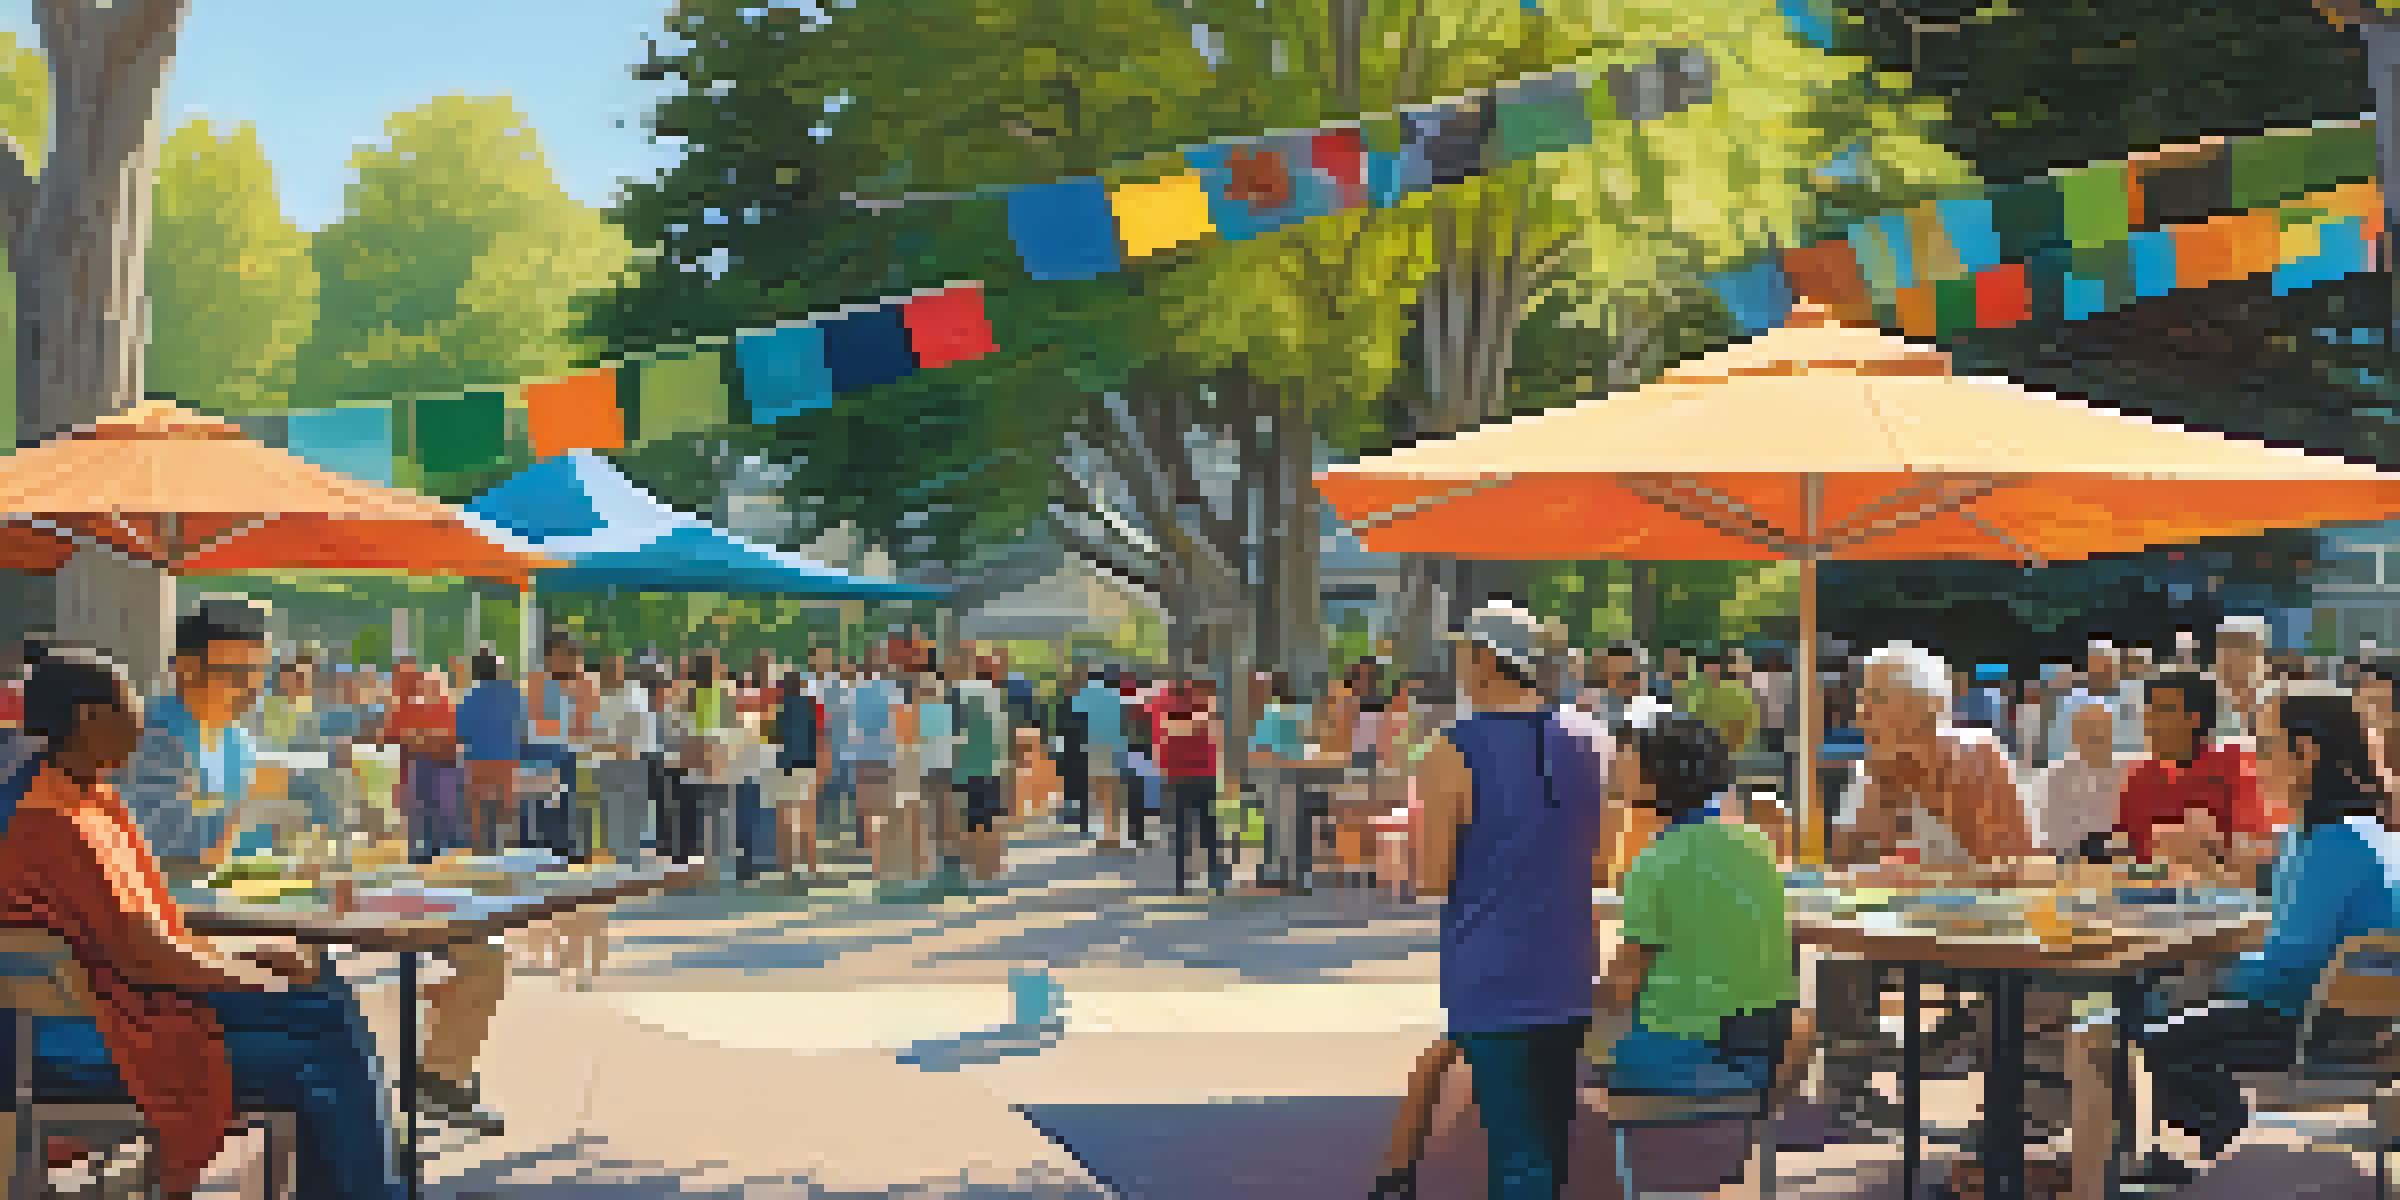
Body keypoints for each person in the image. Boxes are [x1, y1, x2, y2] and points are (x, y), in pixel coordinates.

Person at [0, 645, 405, 1199]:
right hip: (96, 1037)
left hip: (124, 1002)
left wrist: (247, 962)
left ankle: (371, 1186)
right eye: (129, 706)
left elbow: (148, 935)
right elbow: (143, 953)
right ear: (91, 718)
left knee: (325, 1000)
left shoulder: (84, 798)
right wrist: (249, 974)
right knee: (318, 1044)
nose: (140, 723)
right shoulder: (53, 821)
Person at [2094, 687, 2400, 1186]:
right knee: (2165, 1019)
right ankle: (2218, 1163)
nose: (2256, 760)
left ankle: (2231, 1164)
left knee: (2144, 1042)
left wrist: (2214, 975)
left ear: (2308, 754)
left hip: (2312, 1028)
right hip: (2359, 1025)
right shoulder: (2364, 832)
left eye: (2268, 745)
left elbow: (2288, 969)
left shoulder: (2328, 841)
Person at [1400, 602, 1606, 1200]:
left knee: (1515, 1153)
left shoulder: (1450, 750)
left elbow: (1434, 876)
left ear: (1487, 660)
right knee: (1548, 1145)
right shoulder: (1592, 740)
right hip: (1568, 966)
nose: (1459, 664)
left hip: (1489, 971)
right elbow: (1604, 855)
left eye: (1464, 652)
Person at [1598, 714, 1801, 1131]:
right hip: (1765, 1059)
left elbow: (1623, 985)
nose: (1619, 762)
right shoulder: (1758, 847)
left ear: (1655, 779)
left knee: (1545, 1052)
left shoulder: (1657, 863)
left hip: (1681, 1061)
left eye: (1630, 757)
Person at [2110, 670, 2276, 883]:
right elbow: (2120, 850)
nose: (2150, 724)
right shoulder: (2137, 777)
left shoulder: (2234, 768)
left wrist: (2211, 849)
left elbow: (2264, 855)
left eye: (2164, 711)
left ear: (2194, 717)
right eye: (2148, 713)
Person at [1149, 673, 1226, 896]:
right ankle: (1213, 877)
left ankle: (1183, 880)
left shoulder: (1165, 703)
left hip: (1178, 774)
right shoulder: (1206, 704)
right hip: (1201, 772)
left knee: (1184, 829)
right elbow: (1214, 733)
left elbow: (1161, 737)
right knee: (1206, 827)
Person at [2028, 701, 2129, 858]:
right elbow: (2056, 837)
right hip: (2074, 863)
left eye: (2103, 729)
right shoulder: (2059, 777)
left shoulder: (2128, 773)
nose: (2099, 735)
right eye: (2091, 731)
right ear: (2076, 736)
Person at [590, 656, 658, 864]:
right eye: (608, 669)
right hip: (609, 762)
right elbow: (593, 731)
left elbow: (643, 728)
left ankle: (630, 859)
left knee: (630, 815)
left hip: (630, 761)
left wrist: (629, 750)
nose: (611, 673)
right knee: (612, 814)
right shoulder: (600, 696)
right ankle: (620, 858)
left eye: (615, 668)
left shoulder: (633, 694)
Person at [456, 651, 524, 855]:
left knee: (476, 805)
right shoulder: (512, 694)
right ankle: (509, 848)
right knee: (506, 804)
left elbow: (461, 732)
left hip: (477, 760)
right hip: (506, 758)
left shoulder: (469, 697)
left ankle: (479, 849)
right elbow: (522, 723)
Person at [952, 656, 1010, 884]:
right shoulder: (996, 697)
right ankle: (991, 868)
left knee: (969, 821)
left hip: (965, 767)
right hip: (991, 768)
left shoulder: (961, 693)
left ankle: (974, 868)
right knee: (990, 820)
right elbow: (1002, 737)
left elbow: (953, 730)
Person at [1073, 667, 1130, 851]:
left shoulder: (1085, 694)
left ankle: (1104, 836)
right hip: (1115, 749)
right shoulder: (1115, 694)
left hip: (1094, 749)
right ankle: (1116, 835)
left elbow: (1077, 717)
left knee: (1099, 793)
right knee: (1114, 794)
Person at [2213, 616, 2272, 741]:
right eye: (2228, 650)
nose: (2236, 657)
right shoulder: (2208, 699)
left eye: (2245, 650)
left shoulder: (2273, 701)